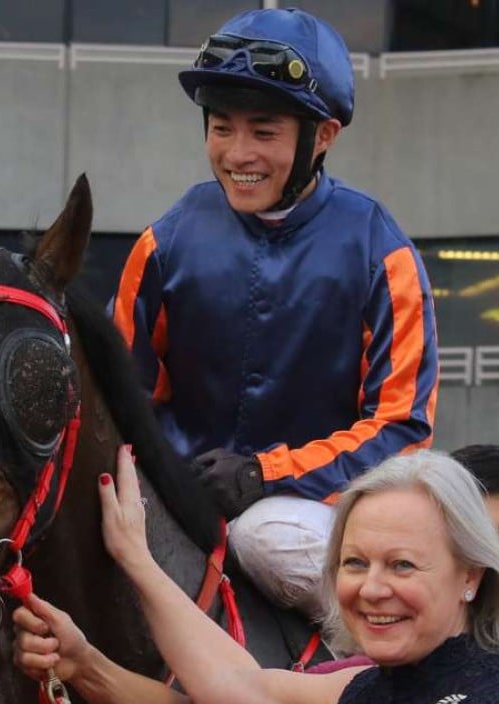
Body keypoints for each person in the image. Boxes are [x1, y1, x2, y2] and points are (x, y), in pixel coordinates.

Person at [109, 7, 439, 617]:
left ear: (324, 136)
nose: (239, 154)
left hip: (313, 514)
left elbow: (402, 430)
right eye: (221, 128)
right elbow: (120, 397)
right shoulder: (164, 244)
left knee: (268, 537)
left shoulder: (379, 250)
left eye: (264, 132)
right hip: (177, 499)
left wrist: (268, 474)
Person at [13, 442, 499, 704]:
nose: (374, 588)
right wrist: (85, 652)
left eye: (403, 563)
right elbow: (231, 691)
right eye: (356, 562)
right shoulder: (360, 692)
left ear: (472, 575)